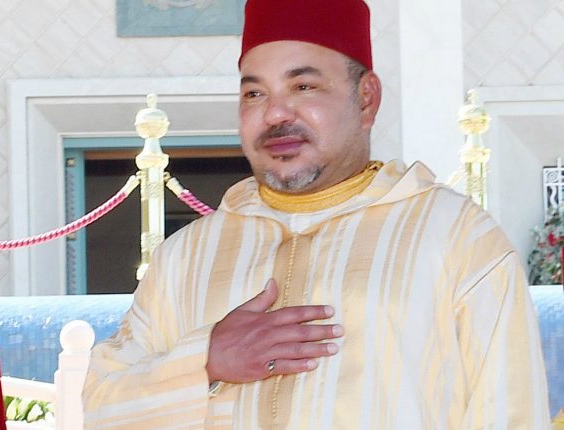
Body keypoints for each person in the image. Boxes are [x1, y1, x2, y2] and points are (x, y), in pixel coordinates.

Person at [83, 0, 551, 428]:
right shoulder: (185, 257)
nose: (275, 114)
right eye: (254, 94)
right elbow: (100, 407)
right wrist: (205, 361)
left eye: (303, 86)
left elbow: (511, 415)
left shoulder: (456, 238)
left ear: (366, 98)